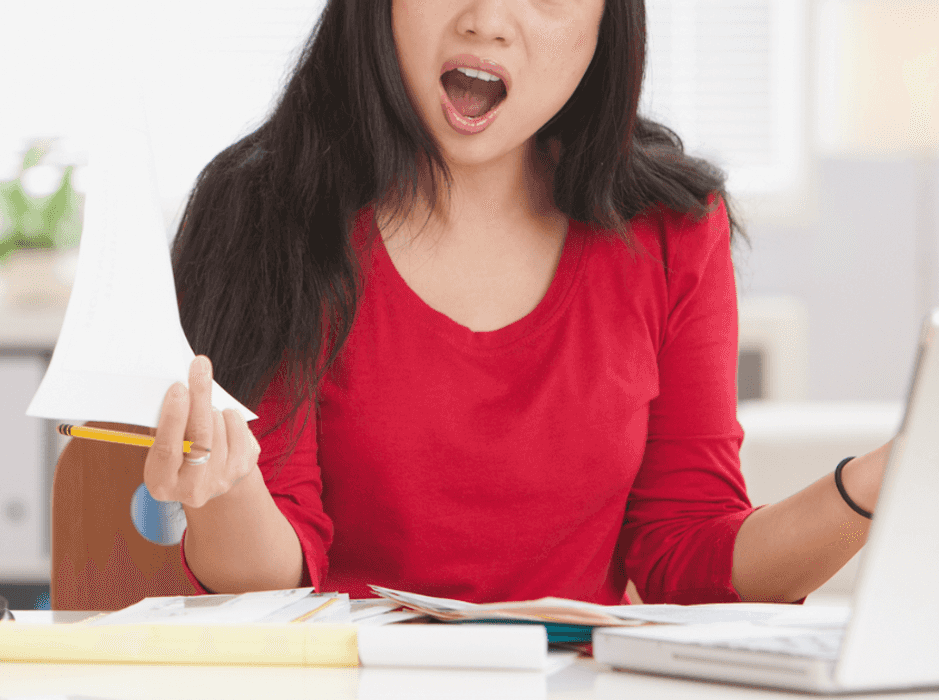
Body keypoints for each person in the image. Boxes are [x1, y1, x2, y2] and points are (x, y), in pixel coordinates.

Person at [138, 0, 891, 605]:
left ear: (606, 22)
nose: (487, 18)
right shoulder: (266, 209)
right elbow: (270, 583)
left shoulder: (673, 228)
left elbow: (686, 556)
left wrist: (883, 479)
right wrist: (227, 489)